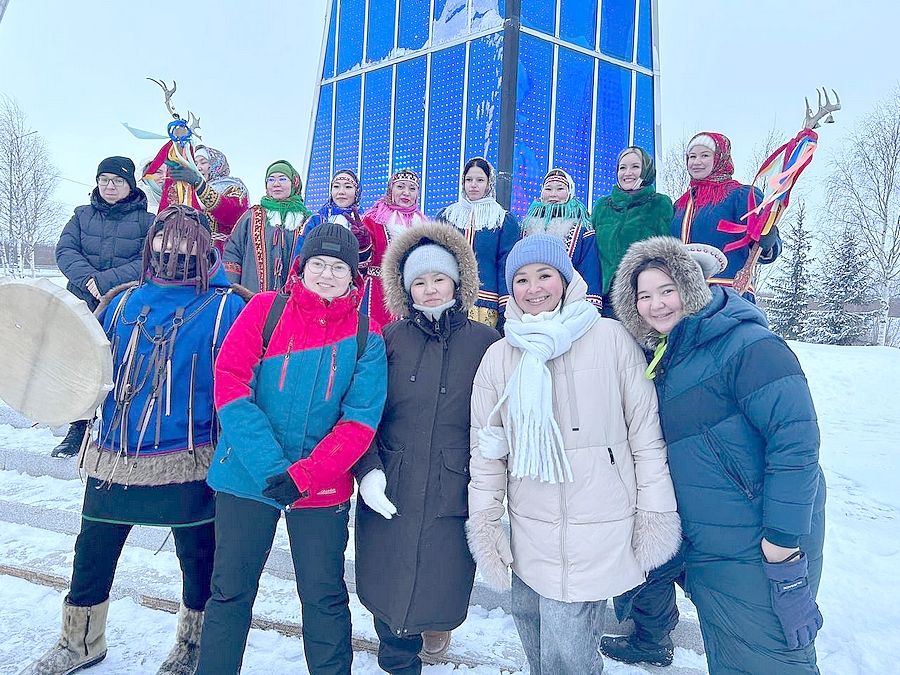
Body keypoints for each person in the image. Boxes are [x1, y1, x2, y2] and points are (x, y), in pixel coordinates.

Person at [20, 205, 247, 675]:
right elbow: (84, 367)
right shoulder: (121, 301)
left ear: (206, 246)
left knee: (198, 556)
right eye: (164, 236)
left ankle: (193, 646)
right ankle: (79, 641)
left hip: (191, 454)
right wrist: (56, 398)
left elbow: (245, 383)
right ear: (151, 243)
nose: (173, 246)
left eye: (185, 238)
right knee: (92, 550)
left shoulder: (230, 307)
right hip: (115, 452)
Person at [466, 234, 681, 675]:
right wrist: (485, 522)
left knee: (569, 649)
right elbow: (487, 453)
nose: (534, 288)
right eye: (521, 279)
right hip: (531, 526)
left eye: (544, 275)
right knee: (533, 631)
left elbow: (645, 434)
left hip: (598, 520)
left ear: (566, 279)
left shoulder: (610, 337)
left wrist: (654, 511)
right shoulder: (500, 355)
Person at [611, 236, 826, 674]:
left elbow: (796, 444)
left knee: (773, 663)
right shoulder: (667, 356)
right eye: (644, 296)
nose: (656, 304)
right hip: (713, 546)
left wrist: (781, 543)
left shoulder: (747, 344)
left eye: (667, 290)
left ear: (692, 286)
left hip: (758, 546)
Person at [195, 223, 388, 675]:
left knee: (324, 596)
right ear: (301, 267)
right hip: (247, 477)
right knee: (230, 591)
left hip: (320, 488)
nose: (326, 275)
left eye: (338, 267)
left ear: (354, 275)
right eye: (318, 263)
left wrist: (304, 476)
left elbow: (359, 421)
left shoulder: (367, 335)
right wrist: (270, 467)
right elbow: (231, 385)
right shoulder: (266, 310)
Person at [353, 222, 500, 674]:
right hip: (393, 478)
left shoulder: (486, 343)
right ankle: (396, 659)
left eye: (439, 278)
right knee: (389, 576)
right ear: (405, 289)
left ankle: (433, 630)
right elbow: (363, 411)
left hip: (453, 484)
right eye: (419, 281)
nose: (430, 289)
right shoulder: (389, 339)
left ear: (458, 281)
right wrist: (368, 469)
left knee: (441, 575)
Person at [52, 155, 155, 458]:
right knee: (80, 364)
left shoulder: (147, 221)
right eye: (104, 180)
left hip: (125, 304)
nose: (110, 186)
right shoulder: (81, 216)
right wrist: (88, 280)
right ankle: (79, 427)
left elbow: (148, 259)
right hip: (82, 302)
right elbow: (65, 251)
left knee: (123, 363)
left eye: (118, 181)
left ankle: (118, 426)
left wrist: (106, 282)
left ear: (130, 184)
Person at [672, 132, 781, 301]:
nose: (696, 162)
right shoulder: (681, 204)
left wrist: (768, 241)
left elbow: (765, 247)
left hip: (728, 296)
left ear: (719, 158)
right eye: (692, 156)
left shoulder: (741, 196)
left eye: (704, 155)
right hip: (683, 298)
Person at [435, 157, 520, 329]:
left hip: (486, 302)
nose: (473, 185)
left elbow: (506, 264)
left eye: (480, 180)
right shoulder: (447, 216)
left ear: (489, 183)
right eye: (469, 180)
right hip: (449, 300)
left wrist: (506, 306)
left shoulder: (501, 220)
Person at [591, 146, 672, 317]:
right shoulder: (602, 206)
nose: (627, 173)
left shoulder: (660, 204)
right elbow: (591, 251)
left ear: (646, 170)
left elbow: (667, 252)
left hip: (642, 298)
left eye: (635, 167)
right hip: (604, 299)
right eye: (622, 167)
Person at [223, 159, 312, 293]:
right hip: (251, 296)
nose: (276, 184)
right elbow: (233, 253)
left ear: (294, 183)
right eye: (271, 180)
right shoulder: (251, 216)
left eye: (282, 179)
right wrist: (232, 288)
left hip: (295, 298)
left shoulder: (306, 221)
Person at [520, 168, 603, 310]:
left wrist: (589, 307)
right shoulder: (526, 227)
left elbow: (590, 269)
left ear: (570, 192)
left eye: (560, 189)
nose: (553, 194)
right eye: (548, 189)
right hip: (532, 300)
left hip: (569, 303)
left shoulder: (582, 229)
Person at [361, 168, 428, 327]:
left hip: (411, 291)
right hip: (377, 291)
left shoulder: (422, 223)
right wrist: (361, 242)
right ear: (391, 189)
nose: (406, 193)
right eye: (400, 187)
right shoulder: (373, 219)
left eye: (412, 188)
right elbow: (362, 260)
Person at [168, 145, 250, 255]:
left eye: (203, 162)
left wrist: (200, 185)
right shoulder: (190, 191)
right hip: (192, 253)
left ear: (216, 164)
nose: (198, 167)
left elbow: (233, 215)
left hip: (223, 254)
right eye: (195, 163)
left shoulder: (233, 187)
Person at [301, 168, 373, 271]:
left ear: (357, 192)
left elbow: (370, 264)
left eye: (348, 187)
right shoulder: (316, 221)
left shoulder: (366, 222)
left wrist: (363, 246)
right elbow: (300, 256)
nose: (341, 192)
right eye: (336, 186)